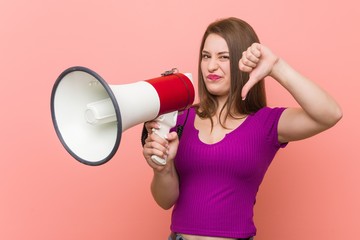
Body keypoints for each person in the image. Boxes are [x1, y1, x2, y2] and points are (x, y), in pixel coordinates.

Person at [142, 17, 342, 240]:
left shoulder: (266, 124)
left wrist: (276, 67)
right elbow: (165, 201)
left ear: (244, 62)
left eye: (224, 57)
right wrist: (163, 168)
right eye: (206, 56)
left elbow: (330, 114)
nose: (211, 66)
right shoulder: (180, 119)